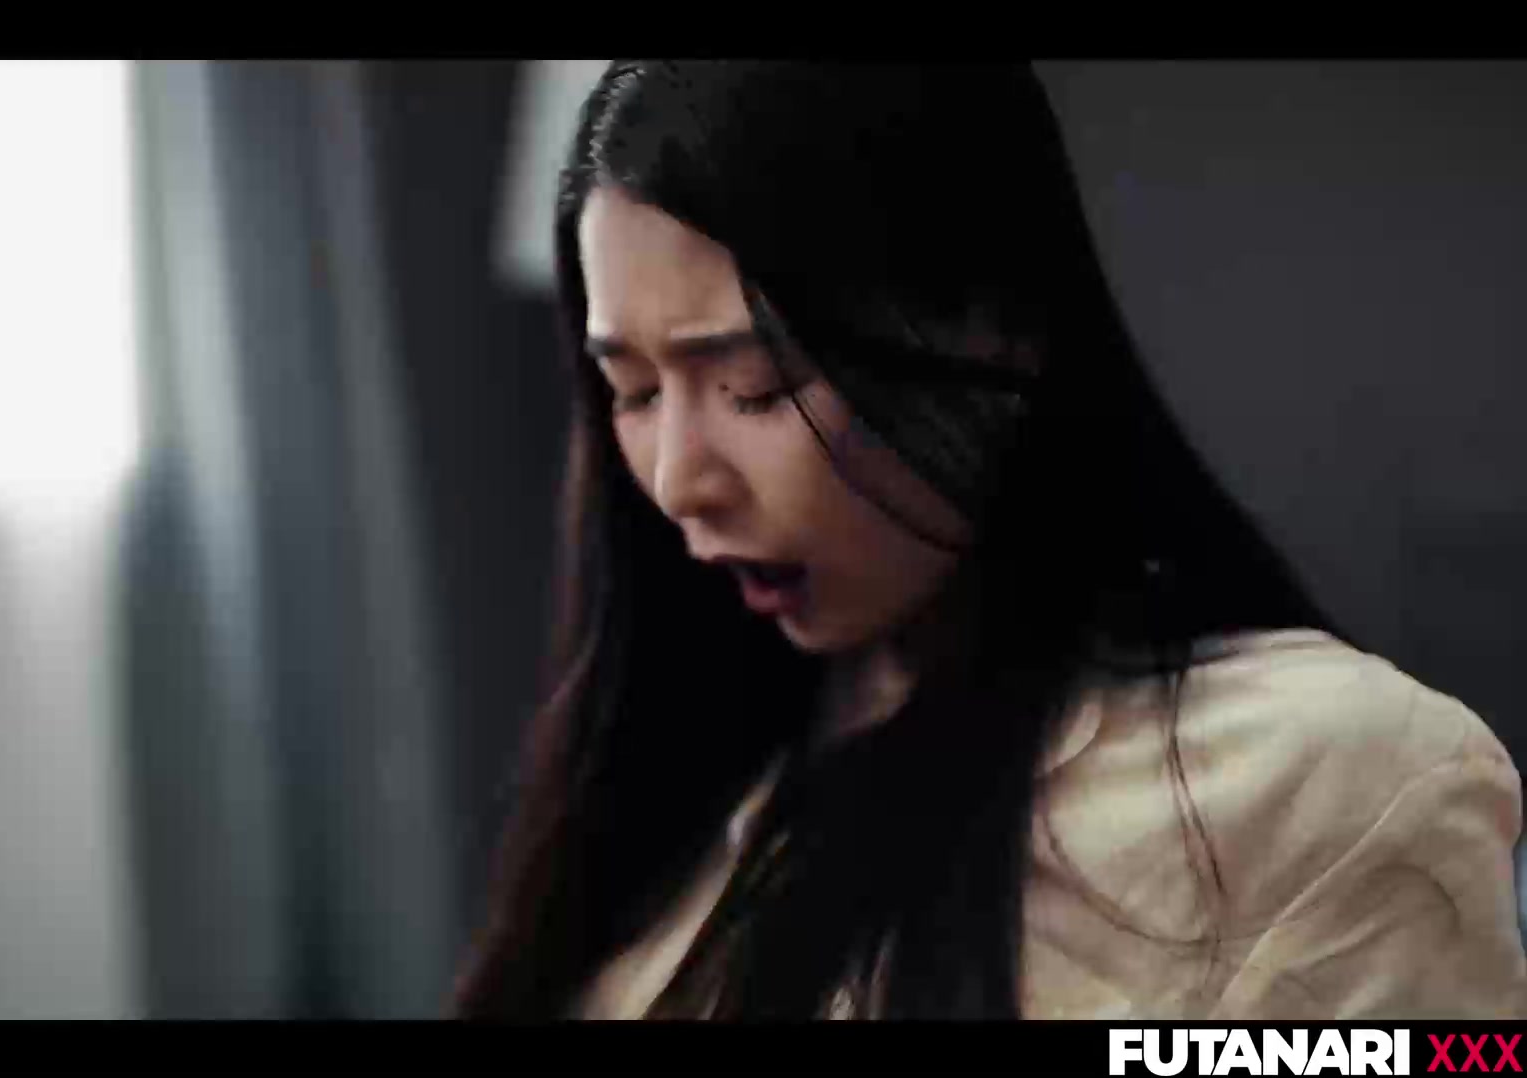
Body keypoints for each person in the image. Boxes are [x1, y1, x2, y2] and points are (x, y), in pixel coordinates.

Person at [451, 61, 1526, 1020]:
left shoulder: (1322, 776)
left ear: (999, 330)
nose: (679, 481)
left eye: (755, 384)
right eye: (631, 390)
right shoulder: (682, 769)